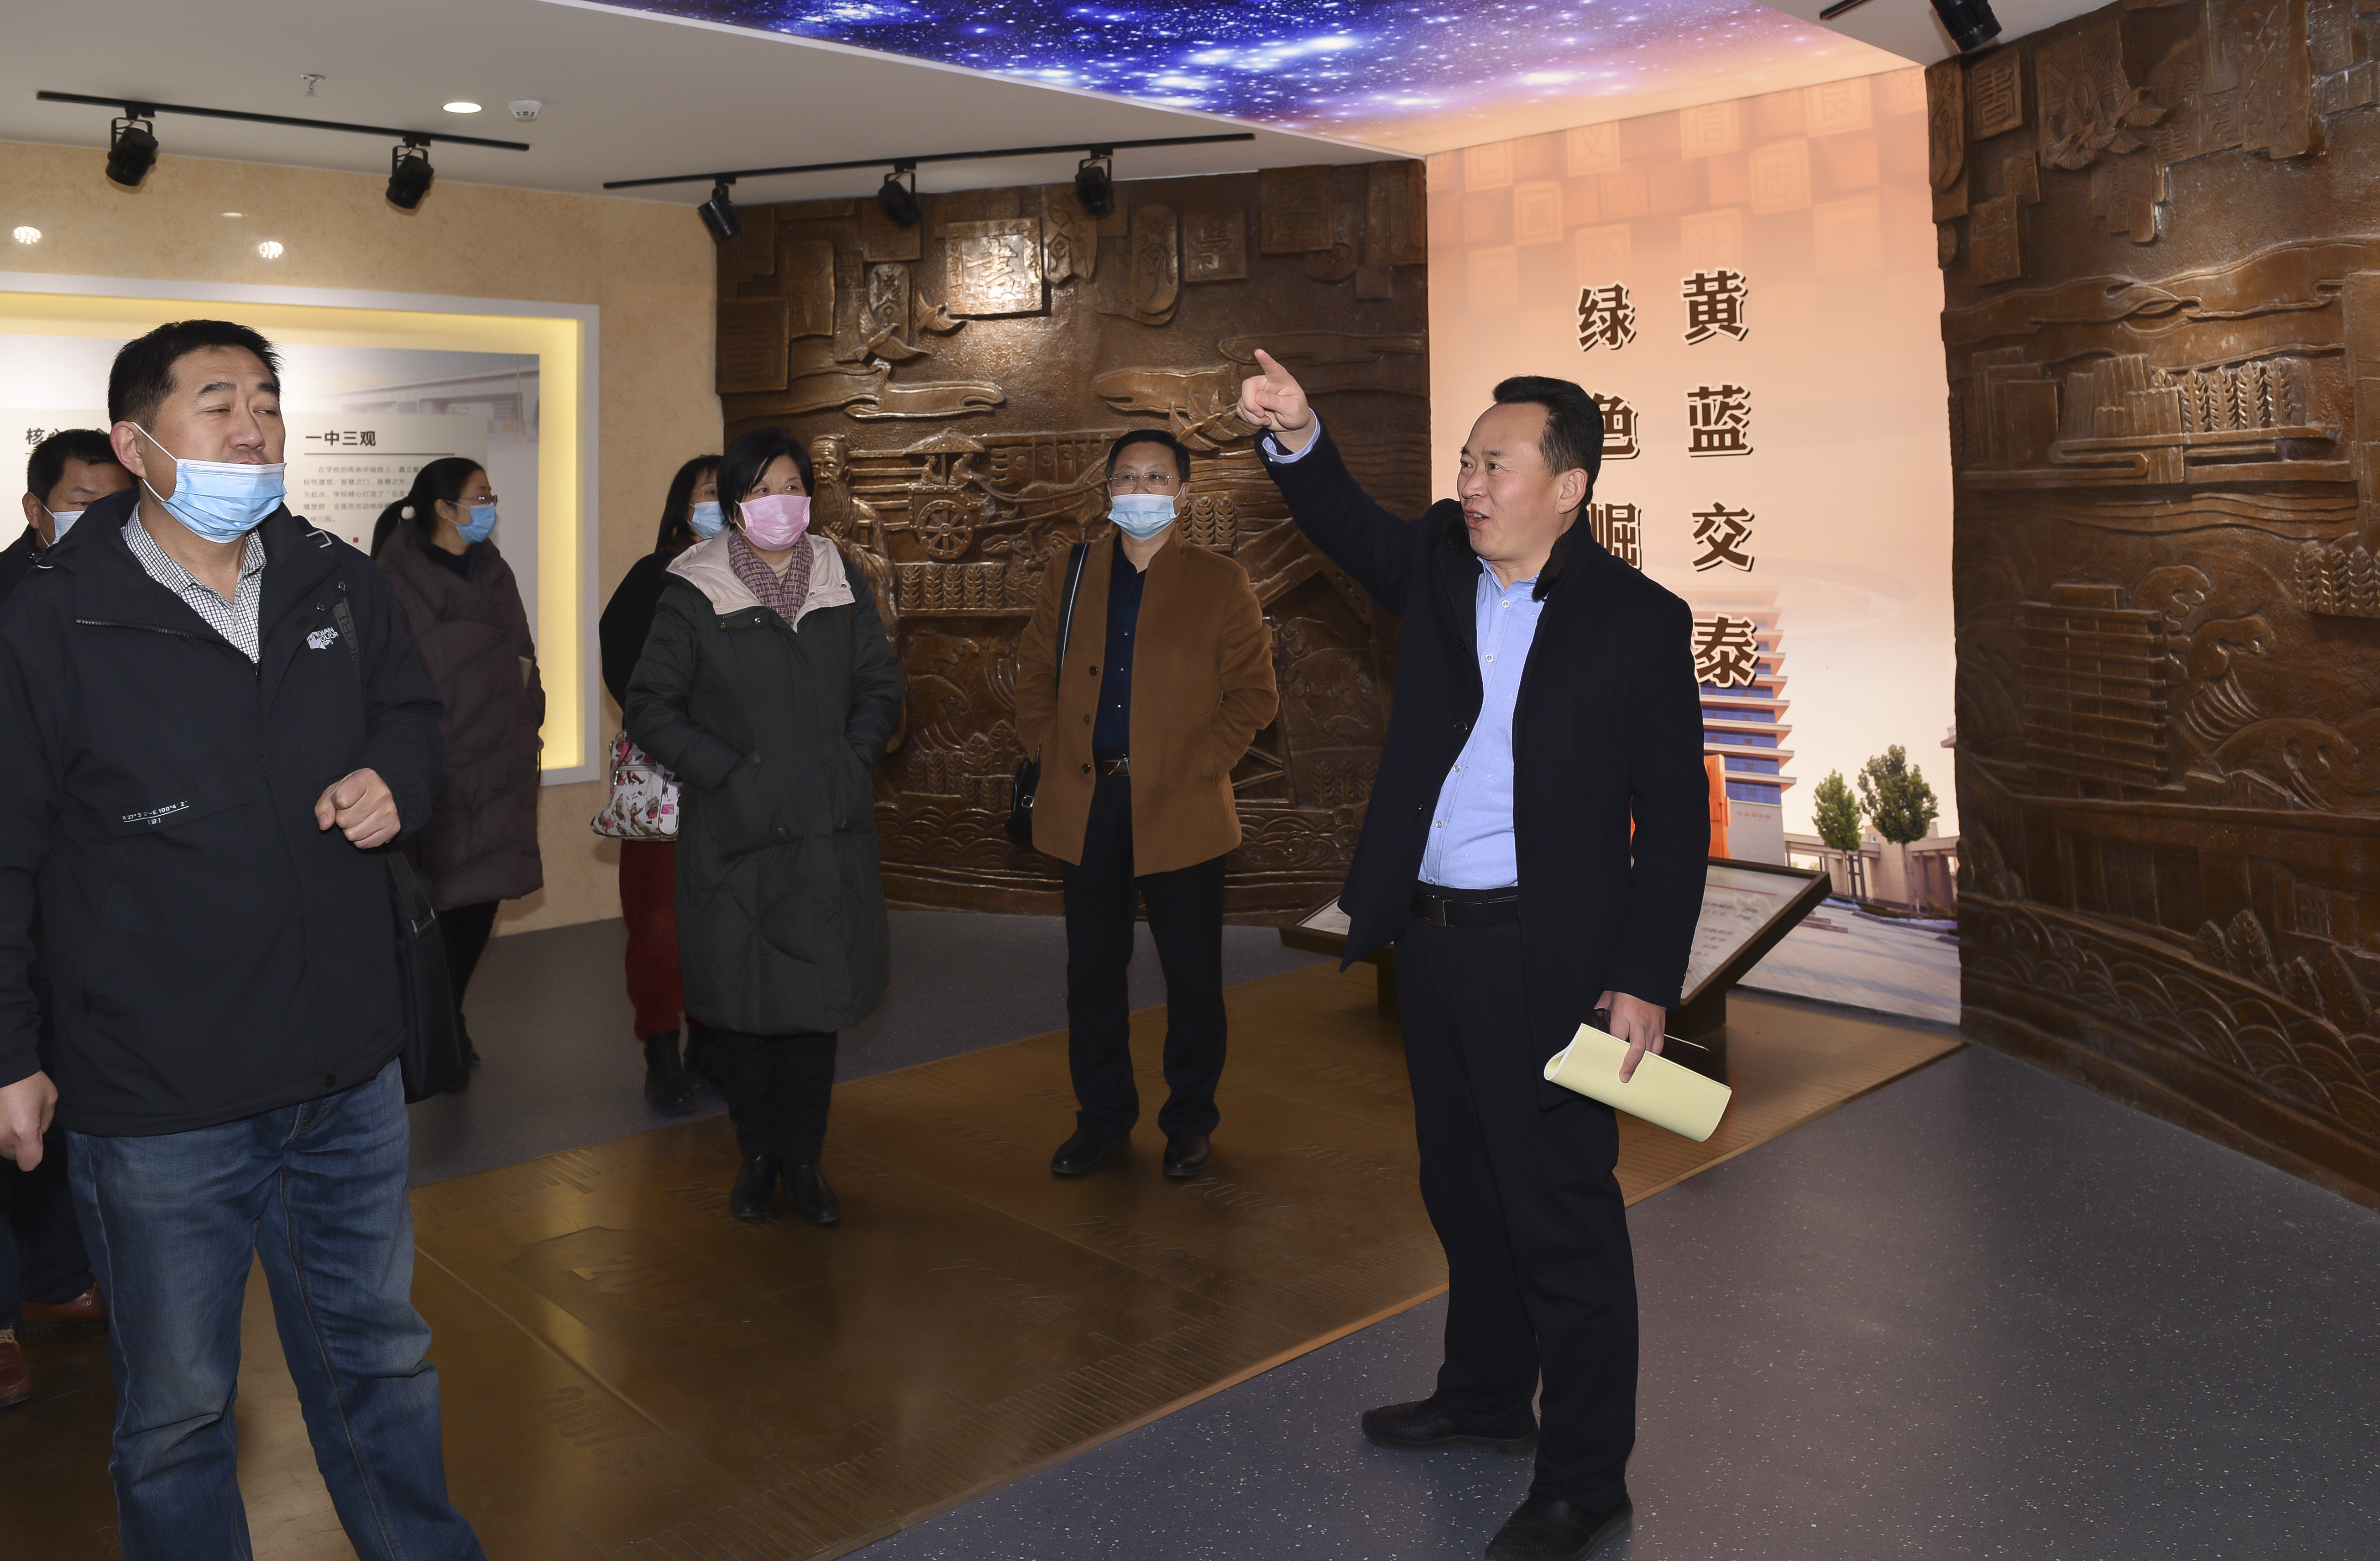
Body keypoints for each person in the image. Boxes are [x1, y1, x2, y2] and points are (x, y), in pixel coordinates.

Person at [0, 319, 481, 1557]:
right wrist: (11, 1050)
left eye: (266, 401)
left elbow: (412, 715)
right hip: (160, 1093)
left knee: (383, 1361)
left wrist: (396, 776)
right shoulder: (49, 617)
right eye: (217, 403)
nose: (252, 426)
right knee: (178, 1411)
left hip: (345, 1067)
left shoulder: (335, 576)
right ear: (135, 443)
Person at [1239, 354, 1708, 1561]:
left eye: (1494, 465)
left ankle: (1585, 1481)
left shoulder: (1638, 622)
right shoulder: (1442, 563)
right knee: (1461, 1190)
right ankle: (1487, 1396)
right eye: (1465, 462)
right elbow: (1347, 525)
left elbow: (1671, 821)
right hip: (1433, 947)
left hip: (1548, 962)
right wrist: (1299, 432)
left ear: (1569, 486)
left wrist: (1643, 979)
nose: (1470, 484)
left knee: (1561, 1221)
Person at [624, 427, 903, 1226]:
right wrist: (728, 771)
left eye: (792, 486)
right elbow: (650, 704)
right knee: (744, 1010)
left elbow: (880, 683)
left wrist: (854, 755)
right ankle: (756, 1157)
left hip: (825, 829)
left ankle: (805, 1162)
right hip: (737, 833)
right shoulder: (695, 587)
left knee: (814, 1009)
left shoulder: (838, 576)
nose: (779, 501)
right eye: (759, 489)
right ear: (735, 503)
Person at [1014, 430, 1278, 1182]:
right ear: (1107, 490)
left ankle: (1189, 1122)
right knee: (1093, 977)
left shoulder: (1220, 580)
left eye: (1157, 477)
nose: (1140, 490)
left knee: (1192, 980)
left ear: (1183, 494)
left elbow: (1254, 694)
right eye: (1127, 477)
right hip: (1087, 802)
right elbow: (1032, 673)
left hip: (1181, 808)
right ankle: (1101, 1121)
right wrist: (1049, 746)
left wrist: (1200, 766)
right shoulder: (1071, 571)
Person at [0, 430, 128, 1407]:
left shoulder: (131, 596)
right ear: (38, 510)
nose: (103, 520)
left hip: (84, 917)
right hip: (16, 901)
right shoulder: (14, 605)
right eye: (84, 502)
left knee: (59, 1109)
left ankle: (56, 1274)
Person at [373, 457, 545, 1082]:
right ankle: (434, 1030)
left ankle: (448, 1019)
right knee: (438, 907)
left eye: (491, 495)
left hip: (500, 761)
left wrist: (530, 711)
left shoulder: (493, 569)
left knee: (480, 903)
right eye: (480, 497)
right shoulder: (393, 578)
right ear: (444, 509)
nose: (489, 507)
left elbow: (522, 651)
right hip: (441, 769)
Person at [598, 454, 718, 1115]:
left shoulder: (760, 572)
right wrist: (669, 725)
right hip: (666, 776)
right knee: (659, 923)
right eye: (711, 492)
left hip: (737, 778)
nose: (724, 502)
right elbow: (621, 653)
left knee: (723, 919)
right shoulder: (656, 573)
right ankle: (661, 1050)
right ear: (682, 506)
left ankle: (711, 1044)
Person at [5, 428, 131, 597]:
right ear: (34, 510)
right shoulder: (8, 588)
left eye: (116, 502)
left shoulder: (148, 578)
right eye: (82, 503)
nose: (102, 515)